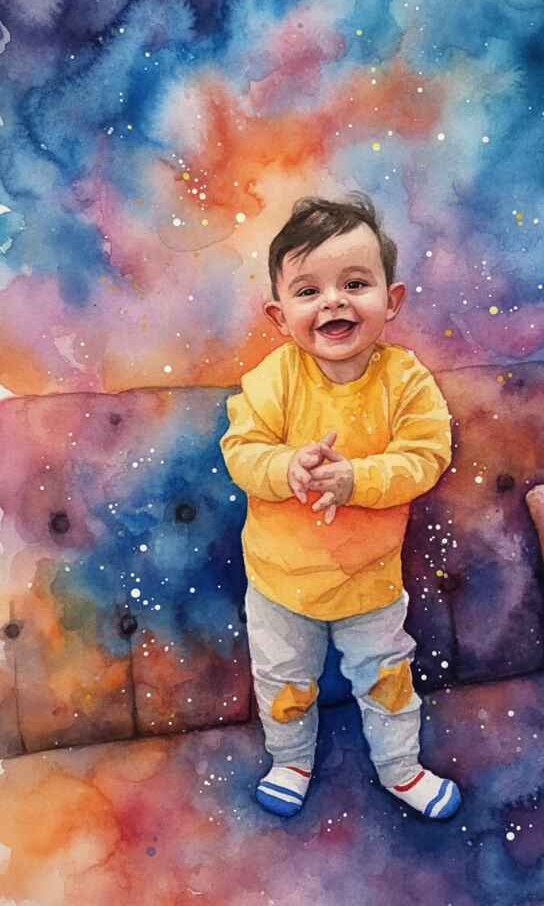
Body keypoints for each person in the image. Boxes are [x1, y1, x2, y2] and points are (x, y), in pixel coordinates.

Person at [220, 194, 460, 820]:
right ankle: (290, 761)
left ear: (391, 299)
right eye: (309, 290)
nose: (333, 302)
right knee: (283, 682)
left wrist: (357, 479)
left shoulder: (408, 382)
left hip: (370, 581)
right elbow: (241, 451)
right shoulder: (272, 379)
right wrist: (286, 468)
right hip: (280, 582)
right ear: (280, 315)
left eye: (355, 284)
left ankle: (401, 769)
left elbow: (426, 457)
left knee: (387, 678)